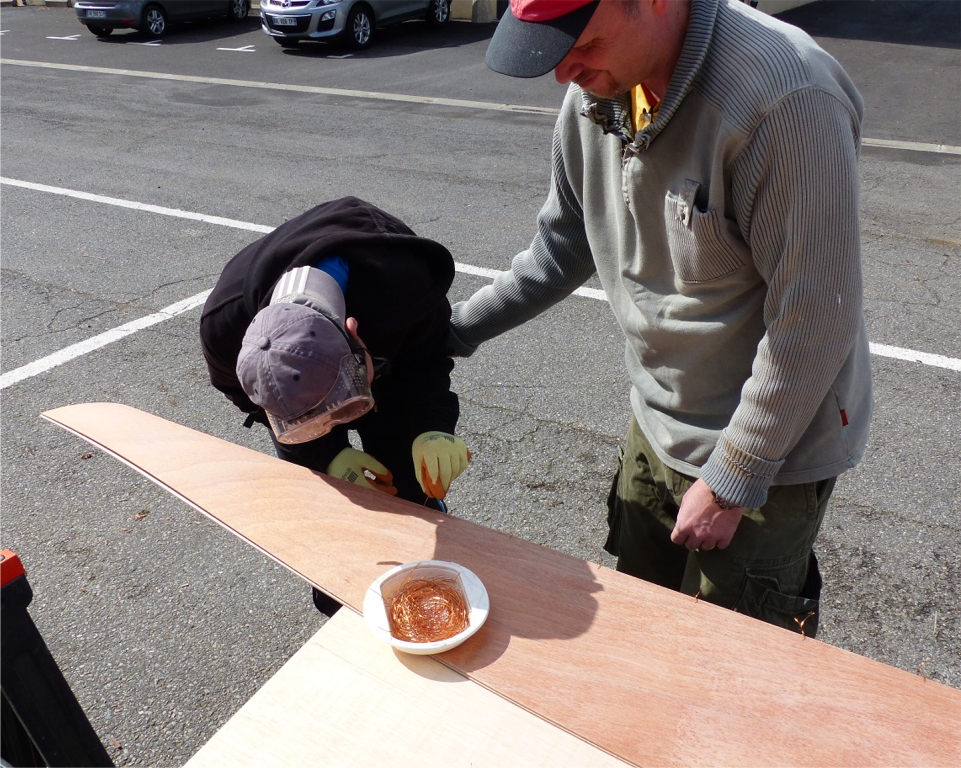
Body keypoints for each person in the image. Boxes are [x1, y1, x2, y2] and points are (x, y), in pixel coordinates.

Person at [448, 0, 872, 637]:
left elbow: (815, 320)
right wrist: (448, 332)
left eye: (579, 42)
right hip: (657, 417)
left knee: (730, 660)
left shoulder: (785, 100)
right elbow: (562, 247)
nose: (564, 72)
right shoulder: (601, 92)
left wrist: (732, 479)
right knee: (640, 628)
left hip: (769, 448)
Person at [201, 196, 471, 614]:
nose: (338, 422)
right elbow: (247, 400)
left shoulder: (406, 285)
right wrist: (325, 454)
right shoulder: (223, 328)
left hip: (388, 351)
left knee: (407, 479)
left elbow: (426, 361)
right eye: (314, 418)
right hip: (311, 386)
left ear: (354, 333)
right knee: (331, 503)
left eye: (342, 406)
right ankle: (343, 602)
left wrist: (432, 427)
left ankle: (425, 564)